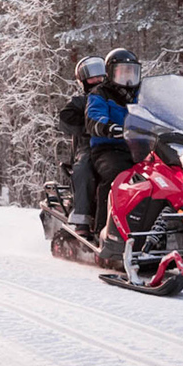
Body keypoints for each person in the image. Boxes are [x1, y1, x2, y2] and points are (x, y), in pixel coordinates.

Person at [86, 48, 142, 233]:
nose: (128, 77)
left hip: (141, 148)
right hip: (109, 148)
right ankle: (103, 230)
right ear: (111, 72)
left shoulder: (142, 94)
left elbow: (160, 112)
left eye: (131, 72)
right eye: (123, 71)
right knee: (116, 176)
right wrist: (108, 127)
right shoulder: (100, 93)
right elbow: (94, 117)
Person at [59, 56, 106, 237]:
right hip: (87, 147)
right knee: (84, 168)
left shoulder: (115, 98)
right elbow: (65, 119)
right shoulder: (80, 101)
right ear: (84, 81)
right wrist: (89, 127)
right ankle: (83, 219)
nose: (97, 81)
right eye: (92, 78)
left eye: (100, 77)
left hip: (118, 144)